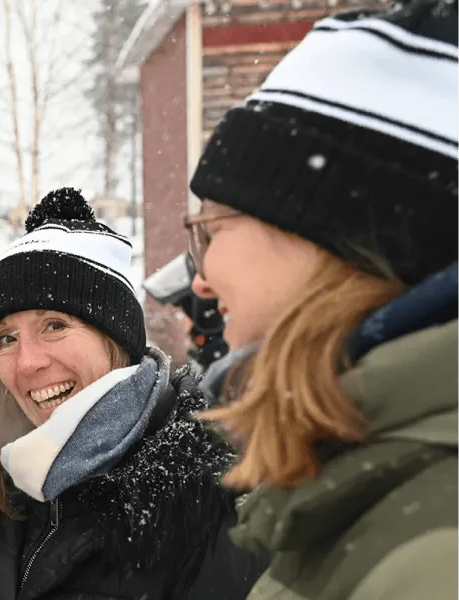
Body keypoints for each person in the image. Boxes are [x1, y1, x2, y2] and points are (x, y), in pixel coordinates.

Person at [185, 2, 459, 598]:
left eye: (213, 229)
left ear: (329, 242)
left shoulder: (433, 550)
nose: (200, 280)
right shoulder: (368, 482)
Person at [0, 187, 267, 599]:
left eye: (55, 326)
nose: (27, 363)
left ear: (116, 339)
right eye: (6, 338)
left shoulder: (207, 499)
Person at [143, 251, 229, 370]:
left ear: (199, 317)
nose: (180, 319)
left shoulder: (213, 355)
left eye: (182, 314)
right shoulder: (213, 351)